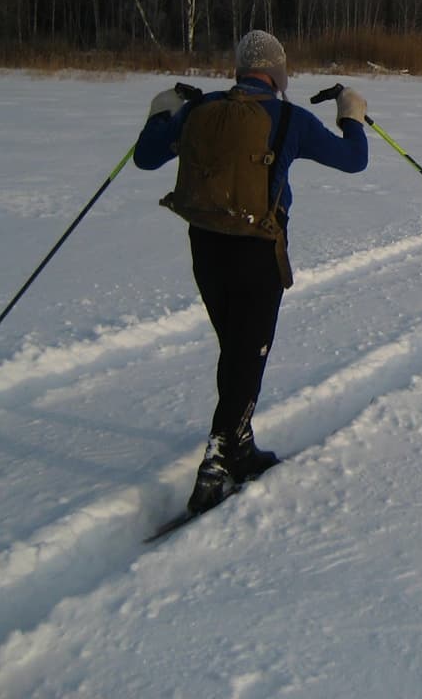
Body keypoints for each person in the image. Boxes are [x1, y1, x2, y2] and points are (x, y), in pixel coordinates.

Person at [134, 30, 369, 512]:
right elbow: (354, 160)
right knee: (247, 353)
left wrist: (162, 111)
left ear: (238, 69)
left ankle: (239, 445)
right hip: (257, 251)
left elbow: (145, 156)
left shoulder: (200, 112)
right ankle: (219, 460)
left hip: (205, 246)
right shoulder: (289, 118)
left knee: (236, 349)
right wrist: (352, 117)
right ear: (279, 74)